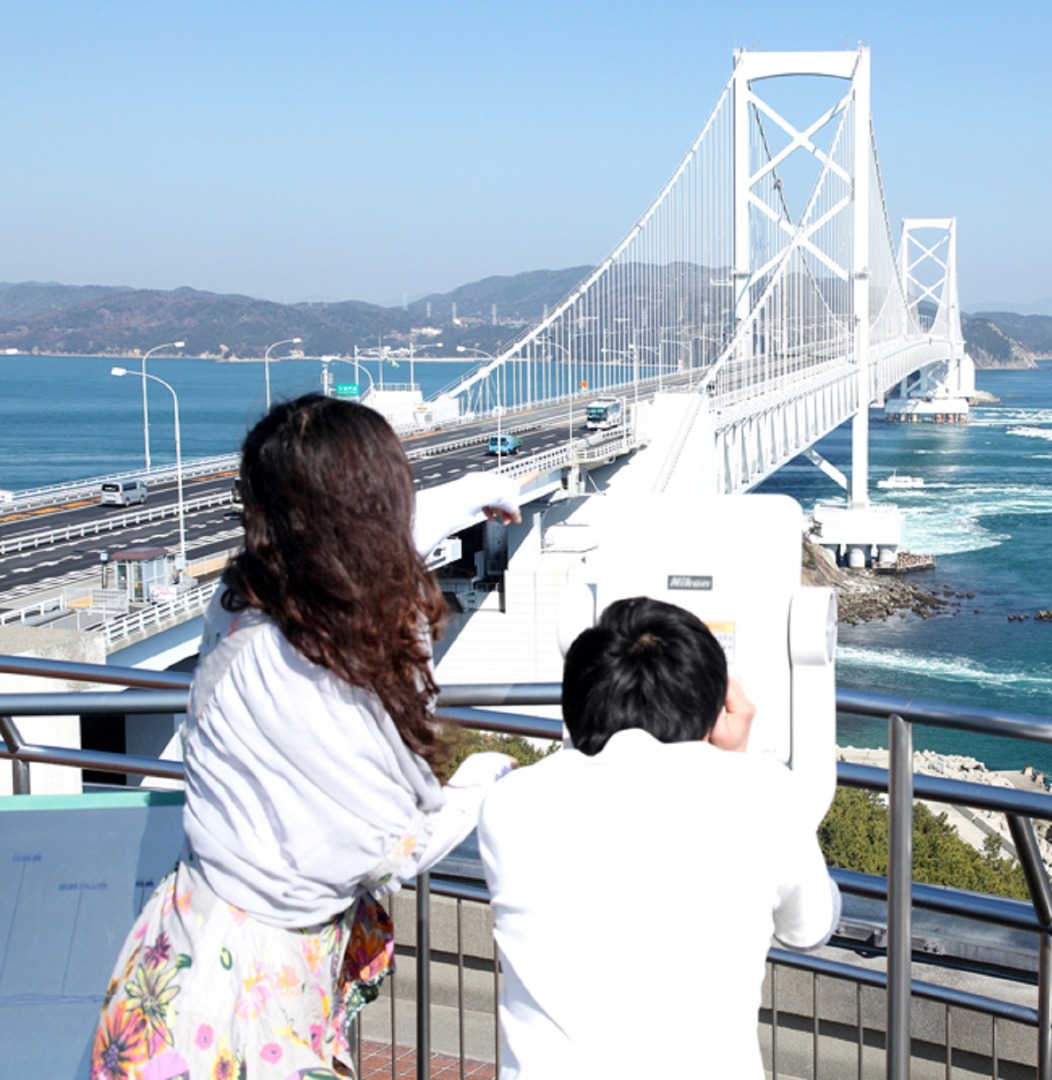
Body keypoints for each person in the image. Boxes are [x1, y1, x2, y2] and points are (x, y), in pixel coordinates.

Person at [89, 394, 523, 1080]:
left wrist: (472, 494)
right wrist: (489, 777)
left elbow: (345, 545)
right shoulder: (329, 669)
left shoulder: (243, 602)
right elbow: (389, 844)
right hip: (247, 1008)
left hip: (176, 954)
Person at [479, 596, 841, 1079]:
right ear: (718, 707)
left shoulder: (511, 804)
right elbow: (809, 928)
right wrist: (735, 763)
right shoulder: (762, 793)